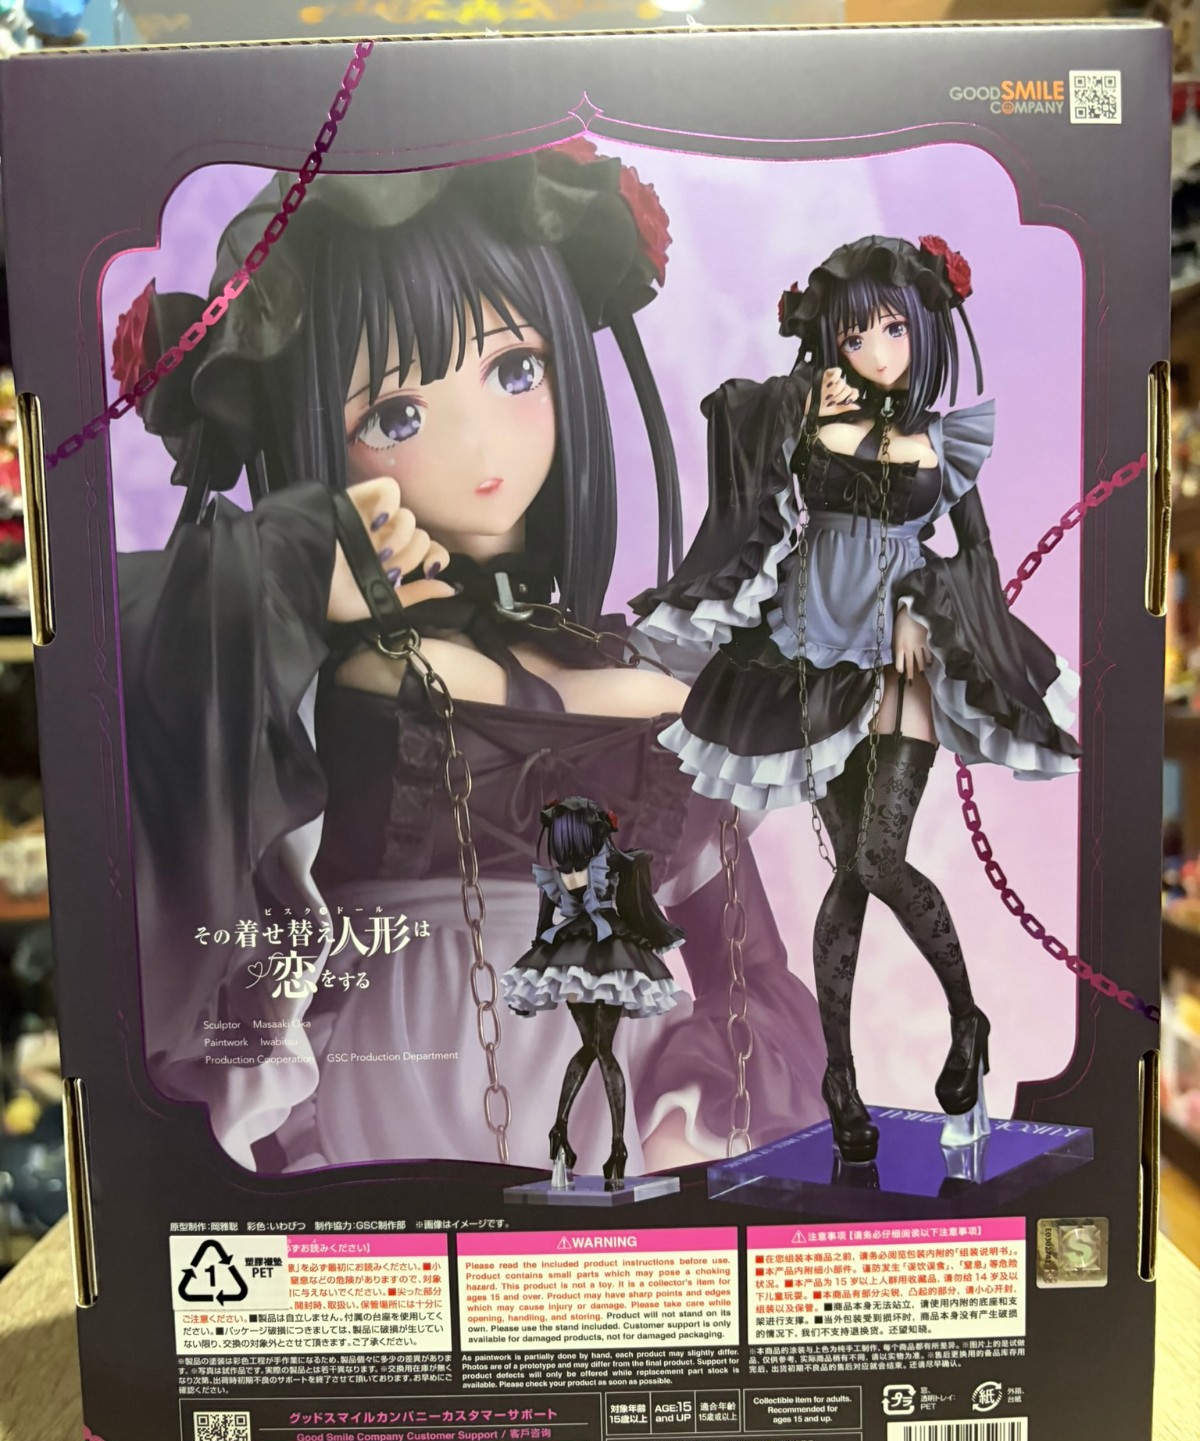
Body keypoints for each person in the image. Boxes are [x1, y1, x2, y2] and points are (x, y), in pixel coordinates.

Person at [113, 146, 827, 1177]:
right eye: (395, 415)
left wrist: (703, 1110)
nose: (480, 447)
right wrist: (297, 564)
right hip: (372, 1120)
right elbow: (125, 673)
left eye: (515, 370)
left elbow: (745, 965)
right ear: (317, 432)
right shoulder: (285, 646)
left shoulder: (654, 660)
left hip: (631, 1125)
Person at [633, 234, 1081, 1162]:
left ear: (925, 327)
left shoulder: (942, 442)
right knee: (851, 870)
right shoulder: (808, 414)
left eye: (893, 330)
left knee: (877, 856)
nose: (877, 350)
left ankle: (966, 1020)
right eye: (854, 335)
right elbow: (735, 424)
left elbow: (976, 556)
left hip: (900, 659)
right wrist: (806, 396)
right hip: (810, 653)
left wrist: (923, 605)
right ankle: (841, 1077)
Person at [502, 796, 686, 1187]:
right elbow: (542, 928)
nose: (570, 869)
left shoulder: (616, 865)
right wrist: (534, 981)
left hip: (608, 955)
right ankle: (602, 1144)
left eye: (576, 853)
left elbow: (629, 901)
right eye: (563, 856)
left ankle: (573, 1134)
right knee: (596, 1048)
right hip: (574, 954)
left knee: (599, 1048)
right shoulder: (557, 877)